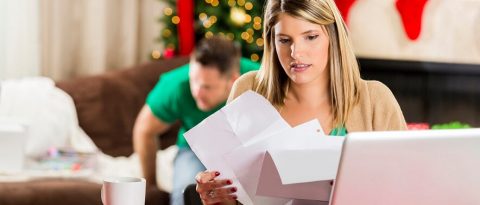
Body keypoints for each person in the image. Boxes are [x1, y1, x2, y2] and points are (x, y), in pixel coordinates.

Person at [195, 0, 407, 204]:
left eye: (311, 37)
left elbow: (407, 189)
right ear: (272, 41)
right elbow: (238, 198)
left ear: (332, 37)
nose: (296, 53)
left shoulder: (376, 101)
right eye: (284, 40)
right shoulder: (249, 90)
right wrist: (220, 198)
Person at [132, 36, 260, 205]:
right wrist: (151, 185)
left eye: (207, 87)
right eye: (194, 81)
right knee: (186, 195)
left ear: (233, 80)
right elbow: (144, 130)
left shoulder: (258, 81)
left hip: (246, 147)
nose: (196, 92)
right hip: (193, 149)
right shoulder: (175, 85)